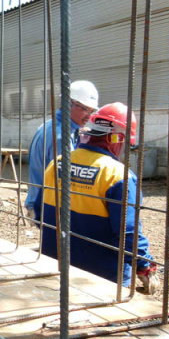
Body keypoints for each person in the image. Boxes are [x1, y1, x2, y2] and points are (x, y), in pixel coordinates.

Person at [38, 102, 158, 293]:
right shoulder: (119, 176)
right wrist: (143, 266)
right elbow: (127, 233)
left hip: (54, 264)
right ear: (117, 138)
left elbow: (39, 211)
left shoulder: (58, 163)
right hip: (101, 277)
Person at [25, 80, 99, 222]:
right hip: (47, 206)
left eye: (92, 111)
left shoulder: (50, 125)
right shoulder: (61, 136)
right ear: (68, 103)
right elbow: (67, 179)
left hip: (40, 201)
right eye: (84, 109)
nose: (89, 116)